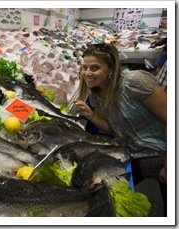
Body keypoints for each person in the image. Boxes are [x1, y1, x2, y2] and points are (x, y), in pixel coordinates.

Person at [72, 43, 167, 216]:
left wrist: (169, 165)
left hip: (162, 151)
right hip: (132, 153)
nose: (87, 73)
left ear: (111, 69)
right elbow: (110, 127)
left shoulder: (136, 82)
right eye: (84, 67)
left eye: (95, 67)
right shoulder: (95, 93)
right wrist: (90, 115)